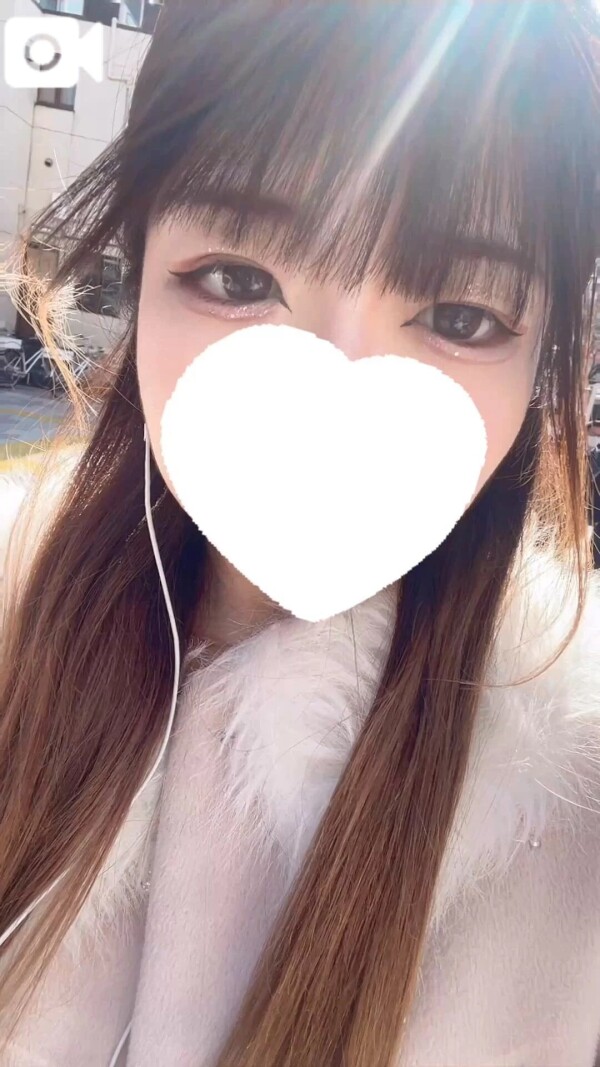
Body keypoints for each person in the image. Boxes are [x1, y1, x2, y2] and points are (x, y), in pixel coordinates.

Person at [0, 1, 599, 1064]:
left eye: (461, 317)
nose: (339, 385)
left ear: (544, 359)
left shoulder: (572, 825)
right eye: (238, 279)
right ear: (137, 270)